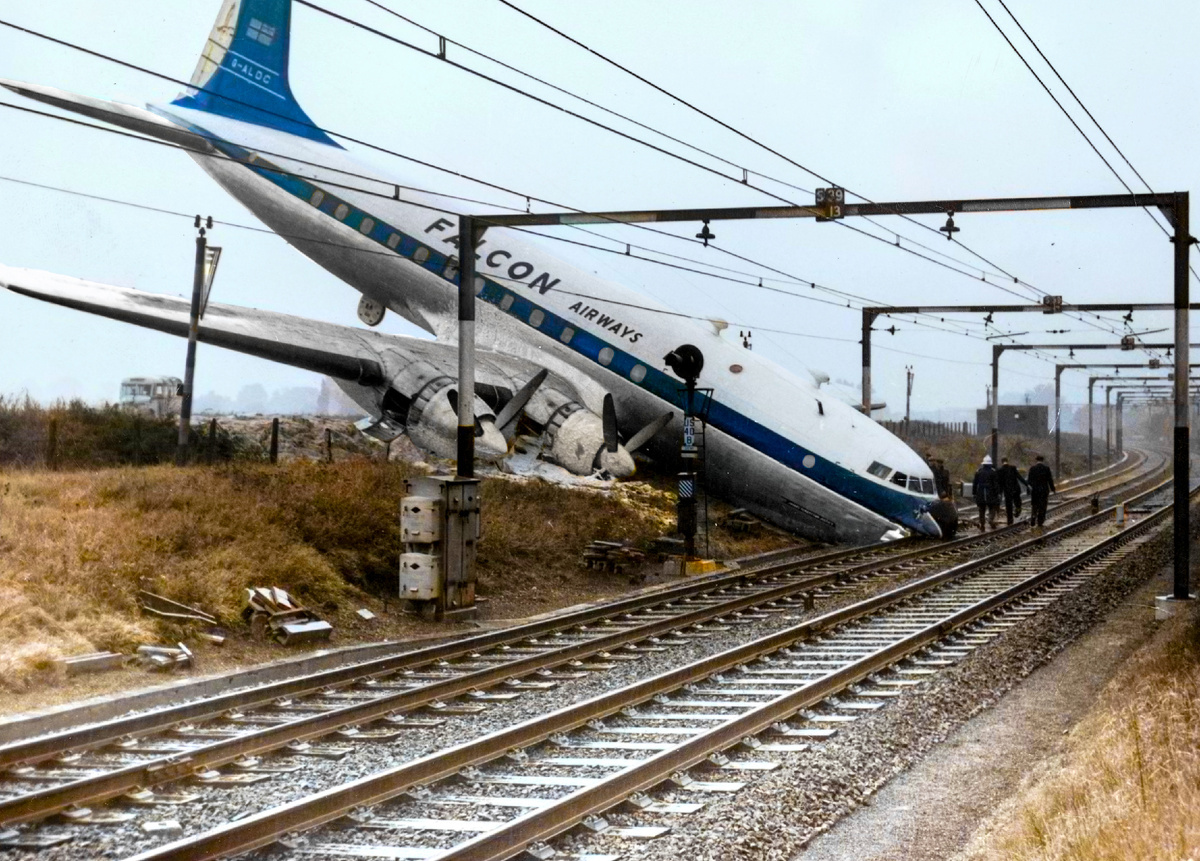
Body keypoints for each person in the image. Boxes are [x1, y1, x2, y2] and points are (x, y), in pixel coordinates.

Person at [971, 455, 1001, 531]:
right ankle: (990, 520)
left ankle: (982, 524)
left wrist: (974, 493)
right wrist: (998, 493)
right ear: (990, 464)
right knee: (992, 508)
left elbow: (975, 484)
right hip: (991, 493)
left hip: (980, 493)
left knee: (981, 510)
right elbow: (996, 484)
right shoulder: (993, 472)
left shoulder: (978, 472)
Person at [1027, 454, 1056, 533]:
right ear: (1042, 460)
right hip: (1043, 490)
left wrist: (1028, 490)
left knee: (1035, 505)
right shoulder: (1046, 468)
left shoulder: (1032, 469)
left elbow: (1029, 480)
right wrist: (1053, 489)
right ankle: (1040, 521)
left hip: (1035, 490)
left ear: (1036, 460)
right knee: (1042, 506)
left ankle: (1033, 516)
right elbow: (1050, 480)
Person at [996, 457, 1029, 526]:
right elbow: (1019, 477)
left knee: (1009, 506)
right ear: (1007, 461)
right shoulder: (1013, 468)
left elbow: (1000, 483)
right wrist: (1027, 484)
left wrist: (1000, 493)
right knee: (1018, 503)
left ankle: (1010, 520)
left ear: (1002, 462)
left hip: (1007, 491)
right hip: (1015, 489)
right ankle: (1018, 511)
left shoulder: (1000, 470)